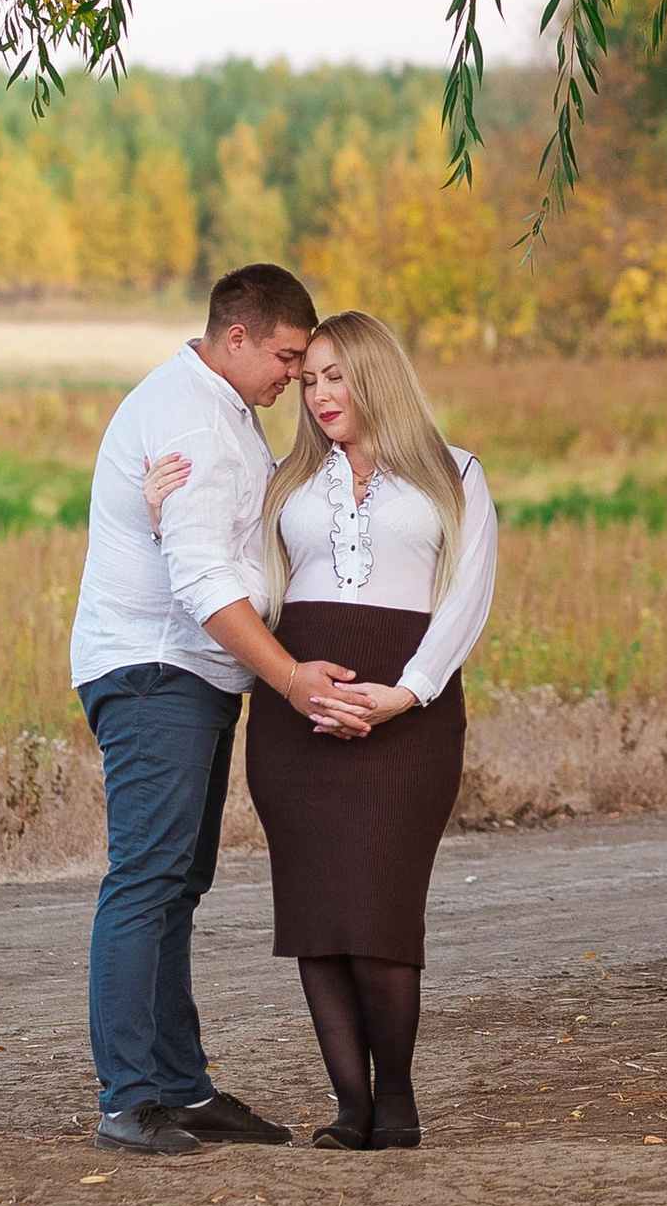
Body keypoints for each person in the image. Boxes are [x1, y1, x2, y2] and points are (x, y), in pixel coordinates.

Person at [144, 309, 496, 1150]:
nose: (319, 394)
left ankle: (398, 1107)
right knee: (316, 916)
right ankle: (350, 1107)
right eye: (307, 381)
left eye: (335, 375)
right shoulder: (286, 482)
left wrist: (403, 695)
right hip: (295, 721)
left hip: (409, 719)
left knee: (379, 912)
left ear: (378, 374)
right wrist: (165, 520)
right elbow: (243, 589)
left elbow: (468, 596)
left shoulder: (454, 473)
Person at [69, 260, 341, 1157]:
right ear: (236, 339)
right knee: (147, 879)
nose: (294, 378)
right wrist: (291, 676)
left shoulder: (222, 410)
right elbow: (197, 579)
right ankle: (130, 1100)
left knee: (176, 884)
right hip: (156, 671)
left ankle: (181, 1091)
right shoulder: (192, 414)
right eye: (287, 357)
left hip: (190, 675)